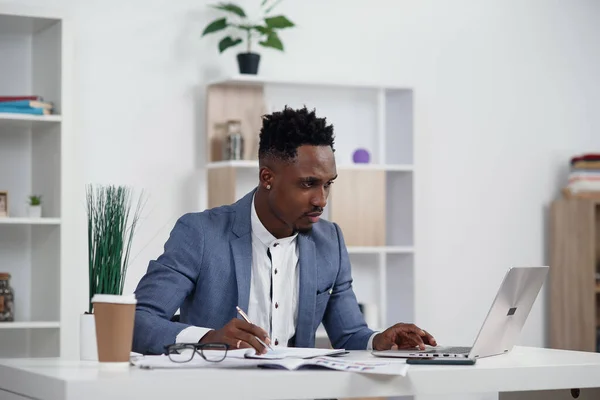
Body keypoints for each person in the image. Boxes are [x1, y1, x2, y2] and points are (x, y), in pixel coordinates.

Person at [132, 106, 437, 355]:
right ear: (268, 177)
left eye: (327, 184)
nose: (321, 200)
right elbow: (137, 322)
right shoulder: (200, 233)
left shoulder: (330, 241)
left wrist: (379, 341)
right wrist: (209, 338)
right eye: (308, 184)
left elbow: (349, 334)